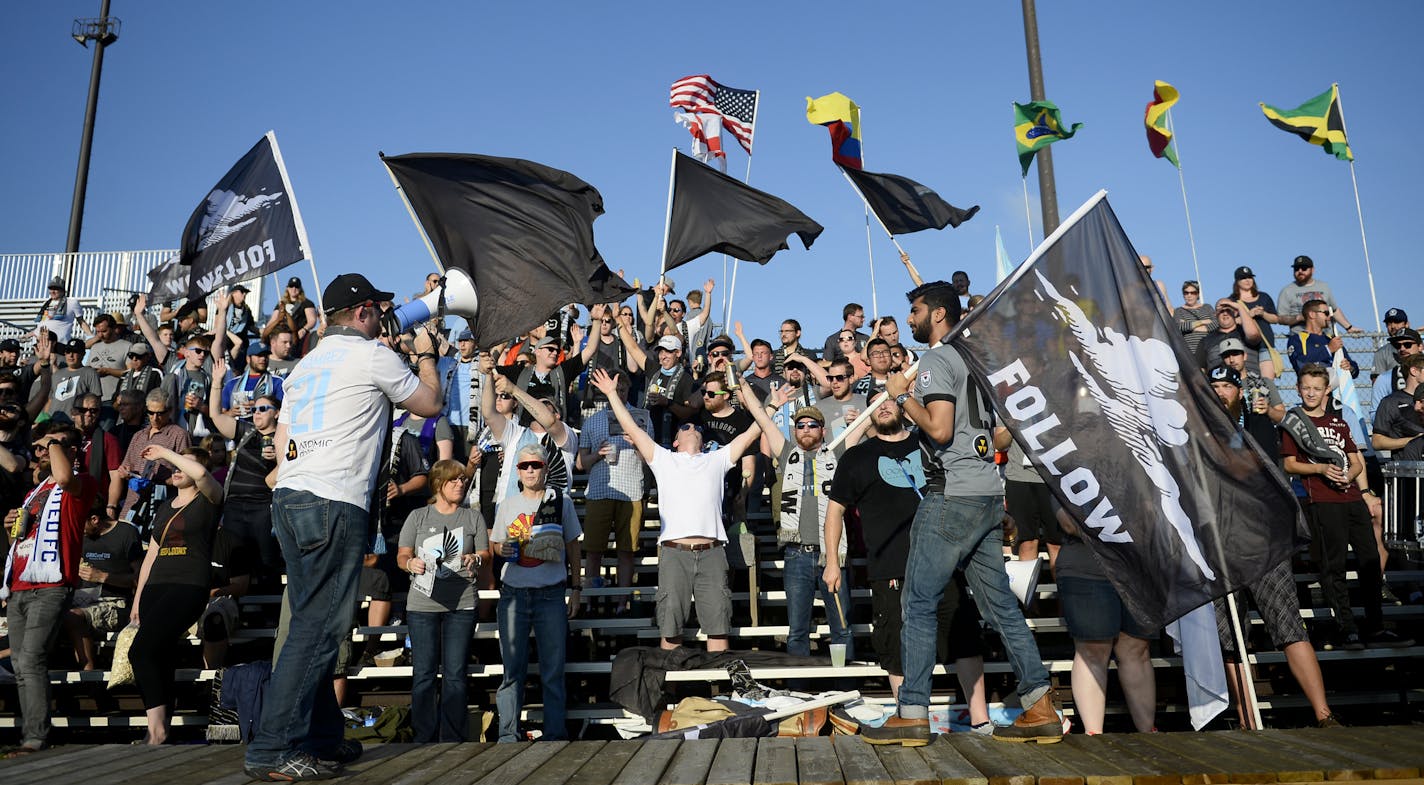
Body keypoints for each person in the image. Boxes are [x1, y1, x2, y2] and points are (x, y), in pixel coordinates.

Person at [244, 273, 442, 782]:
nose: (382, 318)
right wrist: (426, 357)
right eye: (376, 309)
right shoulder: (371, 353)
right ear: (361, 313)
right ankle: (272, 749)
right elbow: (429, 406)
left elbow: (283, 441)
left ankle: (323, 738)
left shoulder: (304, 366)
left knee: (314, 622)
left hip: (290, 498)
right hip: (335, 501)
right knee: (320, 627)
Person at [868, 280, 1059, 746]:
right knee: (1001, 610)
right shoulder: (976, 361)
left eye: (914, 310)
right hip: (986, 495)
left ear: (937, 314)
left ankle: (911, 711)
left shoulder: (935, 360)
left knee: (917, 603)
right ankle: (1039, 705)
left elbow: (937, 428)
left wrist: (899, 395)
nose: (907, 319)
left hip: (950, 495)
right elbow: (997, 437)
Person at [823, 394, 991, 732]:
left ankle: (981, 720)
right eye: (874, 403)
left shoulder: (929, 444)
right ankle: (911, 721)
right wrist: (831, 561)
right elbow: (834, 512)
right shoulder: (856, 458)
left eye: (888, 400)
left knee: (965, 640)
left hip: (943, 561)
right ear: (867, 414)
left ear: (903, 405)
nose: (882, 406)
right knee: (895, 647)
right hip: (889, 569)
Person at [589, 368, 760, 652]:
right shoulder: (664, 458)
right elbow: (631, 427)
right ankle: (670, 693)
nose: (691, 426)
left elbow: (753, 430)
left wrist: (772, 404)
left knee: (718, 630)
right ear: (677, 441)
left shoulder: (717, 459)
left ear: (703, 442)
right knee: (670, 632)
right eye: (685, 427)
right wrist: (610, 394)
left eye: (696, 427)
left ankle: (721, 694)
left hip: (713, 554)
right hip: (674, 553)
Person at [1208, 364, 1341, 729]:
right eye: (1214, 386)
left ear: (1239, 393)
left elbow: (1267, 471)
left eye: (1228, 386)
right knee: (1230, 639)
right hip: (1219, 547)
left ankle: (1324, 714)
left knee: (1290, 629)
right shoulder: (1194, 433)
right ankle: (1247, 718)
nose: (1221, 392)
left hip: (1264, 544)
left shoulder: (1258, 425)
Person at [1281, 363, 1410, 650]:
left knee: (1369, 562)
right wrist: (1322, 470)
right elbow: (1289, 463)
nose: (1311, 393)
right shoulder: (1295, 422)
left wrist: (1349, 477)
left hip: (1351, 498)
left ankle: (1375, 626)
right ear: (1298, 388)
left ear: (1327, 389)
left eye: (1317, 388)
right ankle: (1347, 628)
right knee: (1333, 566)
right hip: (1322, 502)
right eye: (1306, 388)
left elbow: (1357, 460)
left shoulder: (1338, 421)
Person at [1, 426, 99, 757]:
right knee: (19, 663)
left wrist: (54, 443)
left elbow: (65, 477)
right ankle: (32, 732)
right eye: (40, 447)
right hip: (20, 584)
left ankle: (36, 736)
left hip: (52, 584)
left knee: (30, 658)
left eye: (49, 446)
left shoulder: (82, 482)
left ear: (72, 451)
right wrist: (14, 524)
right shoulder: (35, 491)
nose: (40, 452)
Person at [740, 385, 853, 659]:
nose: (805, 428)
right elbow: (762, 418)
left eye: (812, 424)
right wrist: (743, 385)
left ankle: (846, 689)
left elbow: (869, 422)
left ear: (822, 431)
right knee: (797, 630)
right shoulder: (786, 450)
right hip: (797, 553)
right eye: (800, 424)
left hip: (832, 555)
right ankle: (799, 691)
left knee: (841, 627)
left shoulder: (837, 451)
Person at [128, 444, 224, 745]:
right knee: (160, 655)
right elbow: (150, 557)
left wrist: (168, 454)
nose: (178, 469)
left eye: (184, 464)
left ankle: (155, 732)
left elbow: (202, 473)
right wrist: (137, 599)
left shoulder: (209, 500)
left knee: (140, 651)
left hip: (188, 586)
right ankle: (161, 727)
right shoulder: (164, 506)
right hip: (155, 587)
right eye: (176, 466)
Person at [490, 443, 583, 743]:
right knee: (511, 672)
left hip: (551, 594)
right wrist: (499, 549)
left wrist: (577, 588)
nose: (530, 470)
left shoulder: (561, 501)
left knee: (553, 671)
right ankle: (507, 736)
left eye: (535, 465)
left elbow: (573, 546)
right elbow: (495, 543)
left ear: (545, 468)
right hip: (514, 593)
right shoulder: (507, 504)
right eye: (524, 466)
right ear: (517, 471)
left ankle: (555, 735)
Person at [398, 459, 488, 742]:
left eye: (462, 480)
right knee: (423, 673)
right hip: (422, 605)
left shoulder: (473, 517)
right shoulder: (418, 517)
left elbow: (486, 555)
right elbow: (402, 554)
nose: (460, 484)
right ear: (438, 484)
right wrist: (409, 563)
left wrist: (476, 558)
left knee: (455, 674)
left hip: (462, 604)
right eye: (453, 480)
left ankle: (453, 738)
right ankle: (423, 737)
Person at [1051, 504, 1158, 735]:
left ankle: (1148, 734)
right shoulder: (1069, 466)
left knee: (1136, 649)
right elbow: (1068, 521)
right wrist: (1124, 524)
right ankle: (1094, 737)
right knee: (1093, 651)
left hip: (1139, 569)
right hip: (1086, 568)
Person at [576, 371, 653, 614]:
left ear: (627, 390)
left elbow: (651, 459)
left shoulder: (642, 418)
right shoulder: (593, 420)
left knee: (627, 551)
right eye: (614, 389)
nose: (618, 393)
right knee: (594, 550)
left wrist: (638, 443)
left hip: (631, 491)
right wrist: (596, 455)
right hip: (600, 490)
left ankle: (623, 602)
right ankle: (589, 600)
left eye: (622, 389)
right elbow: (580, 464)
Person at [207, 356, 282, 586]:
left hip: (262, 505)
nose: (256, 412)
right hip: (235, 505)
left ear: (277, 413)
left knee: (266, 558)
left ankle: (267, 607)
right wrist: (217, 382)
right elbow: (215, 416)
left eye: (263, 408)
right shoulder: (246, 430)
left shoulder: (283, 436)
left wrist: (278, 459)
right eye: (255, 408)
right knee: (234, 557)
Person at [63, 509, 142, 671]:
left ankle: (88, 678)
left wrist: (102, 576)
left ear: (94, 519)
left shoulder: (126, 532)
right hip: (79, 598)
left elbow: (139, 578)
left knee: (72, 617)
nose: (77, 528)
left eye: (80, 523)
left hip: (115, 603)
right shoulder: (80, 536)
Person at [109, 389, 191, 527]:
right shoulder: (139, 435)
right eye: (151, 413)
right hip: (132, 504)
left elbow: (187, 474)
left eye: (160, 413)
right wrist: (125, 471)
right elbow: (124, 466)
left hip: (161, 504)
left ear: (170, 411)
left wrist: (160, 480)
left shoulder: (179, 435)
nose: (155, 418)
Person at [1276, 255, 1361, 332]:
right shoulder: (1287, 291)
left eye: (1304, 268)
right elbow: (1281, 318)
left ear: (1312, 270)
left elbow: (1333, 310)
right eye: (1296, 269)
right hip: (1301, 338)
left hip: (1325, 336)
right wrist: (1300, 317)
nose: (1300, 271)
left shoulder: (1324, 287)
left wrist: (1349, 327)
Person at [1230, 266, 1280, 379]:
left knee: (1267, 383)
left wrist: (1263, 314)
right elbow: (1231, 322)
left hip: (1265, 345)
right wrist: (1247, 316)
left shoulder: (1264, 297)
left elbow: (1275, 319)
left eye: (1250, 277)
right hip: (1244, 347)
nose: (1247, 280)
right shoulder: (1232, 301)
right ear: (1237, 281)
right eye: (1243, 278)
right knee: (1247, 382)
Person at [263, 276, 320, 357]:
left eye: (296, 286)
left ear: (300, 289)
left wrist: (304, 330)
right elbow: (273, 319)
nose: (294, 289)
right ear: (287, 288)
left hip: (298, 336)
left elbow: (312, 320)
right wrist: (266, 330)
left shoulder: (307, 303)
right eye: (291, 286)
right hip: (283, 335)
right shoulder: (281, 304)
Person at [84, 313, 132, 404]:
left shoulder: (127, 346)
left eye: (104, 331)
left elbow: (130, 374)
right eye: (98, 332)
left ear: (114, 328)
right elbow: (87, 370)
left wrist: (108, 371)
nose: (100, 335)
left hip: (113, 399)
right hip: (92, 400)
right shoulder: (95, 347)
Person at [48, 340, 103, 419]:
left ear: (83, 354)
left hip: (75, 423)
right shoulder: (57, 374)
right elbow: (50, 400)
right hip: (53, 422)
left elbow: (96, 401)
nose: (71, 355)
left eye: (75, 352)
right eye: (68, 351)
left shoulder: (90, 373)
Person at [35, 276, 85, 344]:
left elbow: (81, 321)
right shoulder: (45, 304)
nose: (52, 291)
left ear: (62, 290)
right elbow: (41, 323)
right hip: (40, 342)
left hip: (59, 343)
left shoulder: (71, 302)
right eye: (51, 289)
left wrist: (90, 336)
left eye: (56, 289)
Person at [1172, 281, 1215, 358]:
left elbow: (1217, 323)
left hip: (1209, 348)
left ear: (1198, 294)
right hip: (1190, 351)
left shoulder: (1207, 307)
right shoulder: (1179, 311)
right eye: (1186, 293)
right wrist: (1203, 321)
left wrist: (1190, 325)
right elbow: (1179, 327)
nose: (1189, 295)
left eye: (1193, 293)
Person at [1373, 308, 1413, 380]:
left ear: (1407, 324)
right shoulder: (1381, 353)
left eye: (1397, 322)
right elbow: (1376, 382)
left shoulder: (1418, 345)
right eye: (1389, 323)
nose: (1393, 326)